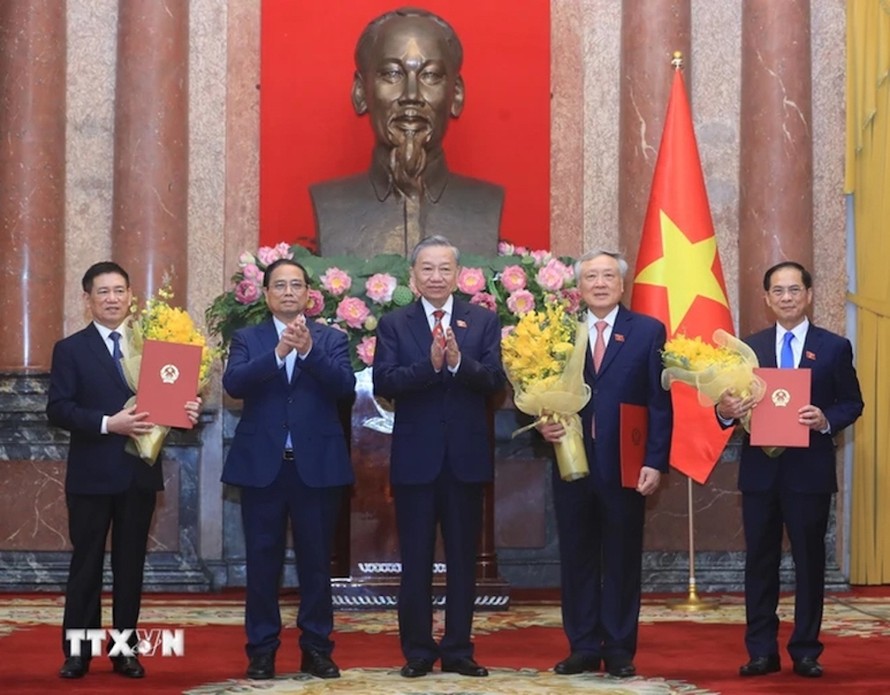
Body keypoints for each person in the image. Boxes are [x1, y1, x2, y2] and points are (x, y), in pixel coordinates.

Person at [47, 261, 201, 680]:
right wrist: (106, 423)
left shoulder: (153, 346)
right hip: (91, 475)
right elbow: (58, 409)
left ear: (131, 295)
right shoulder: (70, 349)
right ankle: (78, 653)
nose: (112, 299)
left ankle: (124, 651)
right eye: (103, 292)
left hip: (137, 474)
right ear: (88, 300)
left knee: (130, 566)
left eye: (119, 291)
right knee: (87, 566)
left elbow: (169, 405)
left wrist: (188, 410)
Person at [716, 261, 863, 679]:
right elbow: (723, 406)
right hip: (760, 473)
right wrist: (726, 411)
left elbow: (853, 402)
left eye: (794, 290)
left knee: (809, 561)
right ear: (766, 299)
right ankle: (761, 651)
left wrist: (825, 418)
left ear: (809, 295)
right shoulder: (748, 349)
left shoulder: (833, 347)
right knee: (759, 562)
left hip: (809, 473)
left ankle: (805, 650)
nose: (786, 298)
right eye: (777, 291)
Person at [372, 235, 505, 678]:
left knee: (464, 561)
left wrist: (456, 363)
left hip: (465, 460)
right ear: (413, 276)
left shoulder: (482, 322)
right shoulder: (395, 324)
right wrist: (429, 366)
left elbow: (493, 384)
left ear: (458, 275)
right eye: (426, 268)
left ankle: (459, 650)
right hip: (416, 460)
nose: (435, 276)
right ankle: (418, 651)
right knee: (416, 562)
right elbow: (385, 384)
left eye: (444, 268)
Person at [537, 250, 672, 678]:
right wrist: (542, 423)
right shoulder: (558, 332)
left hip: (626, 464)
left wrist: (655, 460)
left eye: (607, 276)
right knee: (576, 556)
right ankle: (580, 646)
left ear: (621, 283)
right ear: (578, 286)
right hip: (572, 463)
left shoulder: (648, 331)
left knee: (621, 557)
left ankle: (617, 648)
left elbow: (659, 401)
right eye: (590, 276)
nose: (599, 283)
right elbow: (540, 389)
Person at [222, 258, 355, 680]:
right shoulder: (248, 338)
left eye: (296, 285)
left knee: (316, 564)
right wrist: (279, 353)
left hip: (317, 468)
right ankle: (261, 650)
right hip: (264, 467)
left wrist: (308, 352)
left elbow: (345, 388)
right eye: (279, 285)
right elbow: (234, 384)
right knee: (263, 563)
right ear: (265, 294)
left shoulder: (330, 339)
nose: (288, 292)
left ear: (308, 294)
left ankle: (317, 648)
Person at [310, 7, 503, 258]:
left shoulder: (485, 203)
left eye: (430, 75)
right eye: (392, 74)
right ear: (360, 92)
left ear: (455, 94)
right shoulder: (331, 203)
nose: (411, 95)